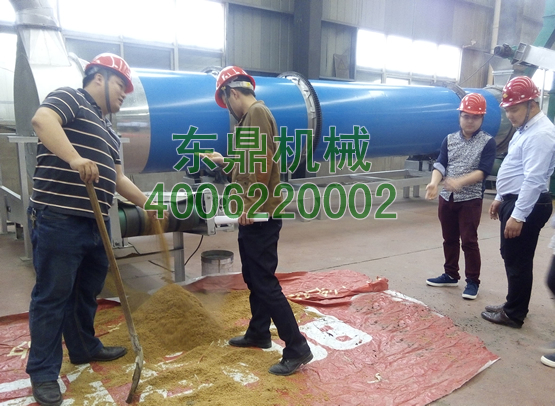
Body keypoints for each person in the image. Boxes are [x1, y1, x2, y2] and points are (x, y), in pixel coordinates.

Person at [27, 53, 157, 406]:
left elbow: (118, 178)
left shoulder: (110, 131)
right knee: (53, 295)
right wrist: (74, 158)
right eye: (121, 85)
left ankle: (84, 347)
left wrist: (148, 203)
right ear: (98, 77)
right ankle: (43, 372)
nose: (124, 94)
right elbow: (42, 120)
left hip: (95, 223)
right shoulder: (70, 97)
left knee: (86, 291)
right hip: (59, 217)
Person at [201, 65, 313, 376]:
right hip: (254, 211)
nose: (228, 108)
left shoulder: (257, 114)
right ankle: (259, 332)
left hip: (260, 214)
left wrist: (252, 204)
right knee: (253, 276)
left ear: (232, 93)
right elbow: (249, 163)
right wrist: (225, 162)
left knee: (264, 281)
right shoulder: (250, 118)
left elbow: (261, 163)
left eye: (226, 101)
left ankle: (297, 347)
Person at [482, 76, 555, 329]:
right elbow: (514, 167)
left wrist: (518, 215)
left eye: (514, 109)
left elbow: (534, 179)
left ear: (532, 104)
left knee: (518, 261)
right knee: (513, 257)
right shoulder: (526, 130)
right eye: (508, 110)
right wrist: (500, 198)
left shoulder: (541, 134)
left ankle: (514, 314)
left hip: (528, 204)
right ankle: (513, 303)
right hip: (515, 200)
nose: (510, 115)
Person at [425, 93, 496, 300]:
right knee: (449, 238)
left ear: (482, 118)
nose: (470, 121)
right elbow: (441, 163)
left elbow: (483, 171)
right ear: (460, 116)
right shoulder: (449, 139)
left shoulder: (487, 142)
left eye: (475, 117)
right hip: (447, 198)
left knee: (469, 241)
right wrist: (434, 182)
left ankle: (472, 281)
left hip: (470, 200)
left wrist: (460, 181)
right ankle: (450, 274)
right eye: (466, 116)